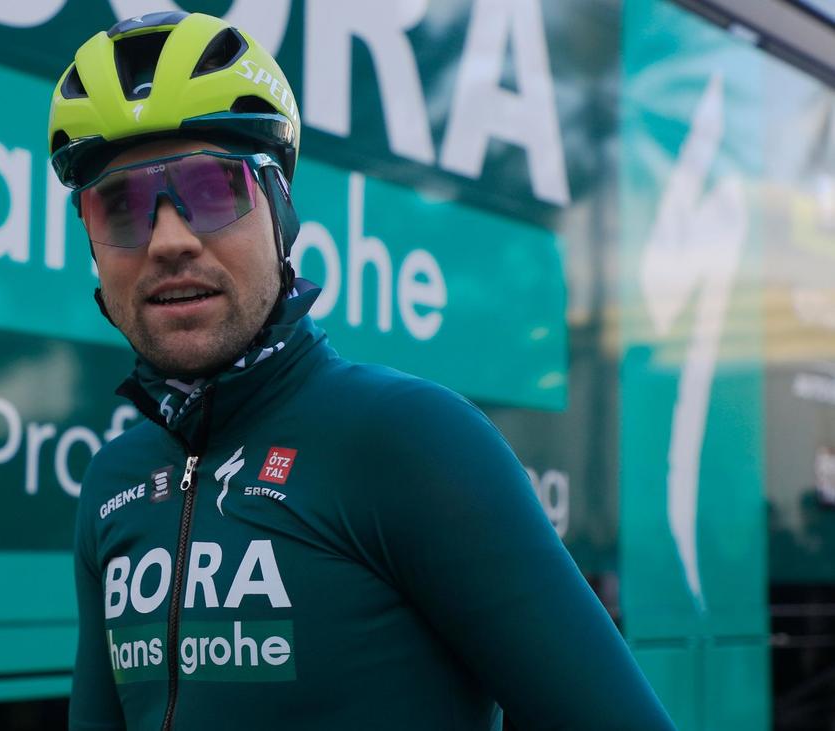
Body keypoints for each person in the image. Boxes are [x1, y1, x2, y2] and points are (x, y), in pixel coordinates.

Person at [48, 12, 676, 731]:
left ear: (281, 213)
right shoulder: (114, 482)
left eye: (214, 189)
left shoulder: (411, 439)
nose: (168, 240)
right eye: (121, 207)